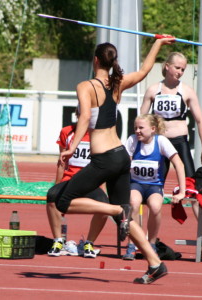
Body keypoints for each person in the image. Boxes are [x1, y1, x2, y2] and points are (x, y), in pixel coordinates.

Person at [55, 36, 176, 284]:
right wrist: (158, 44)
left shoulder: (86, 86)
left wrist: (71, 148)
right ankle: (155, 264)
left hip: (105, 160)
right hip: (121, 156)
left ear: (96, 60)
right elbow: (144, 71)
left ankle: (115, 210)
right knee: (127, 220)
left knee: (61, 200)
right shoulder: (116, 84)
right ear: (111, 63)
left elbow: (85, 118)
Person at [141, 52, 202, 242]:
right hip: (158, 143)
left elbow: (200, 121)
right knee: (153, 188)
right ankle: (146, 236)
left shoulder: (186, 91)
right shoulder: (153, 90)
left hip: (179, 142)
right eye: (177, 68)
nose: (180, 72)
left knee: (193, 187)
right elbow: (141, 120)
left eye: (183, 69)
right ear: (167, 66)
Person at [122, 114, 186, 260]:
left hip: (154, 185)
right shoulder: (132, 140)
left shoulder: (161, 141)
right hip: (136, 184)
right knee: (133, 203)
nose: (137, 131)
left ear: (152, 129)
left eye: (141, 128)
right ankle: (133, 244)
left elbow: (179, 164)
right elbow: (123, 165)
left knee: (156, 206)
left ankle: (151, 244)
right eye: (135, 128)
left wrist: (182, 192)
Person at [46, 123, 109, 258]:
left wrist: (103, 189)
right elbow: (61, 162)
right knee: (52, 197)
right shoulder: (67, 132)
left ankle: (89, 243)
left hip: (91, 183)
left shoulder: (100, 135)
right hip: (69, 181)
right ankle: (58, 242)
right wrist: (56, 186)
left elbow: (104, 166)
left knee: (105, 207)